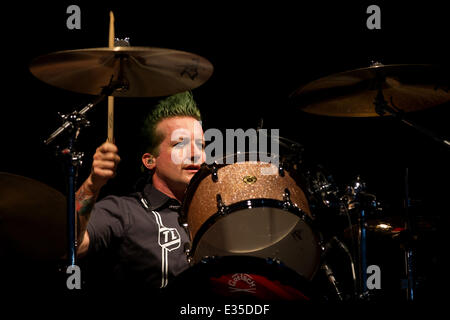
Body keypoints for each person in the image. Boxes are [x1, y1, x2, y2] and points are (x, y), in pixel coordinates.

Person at [75, 91, 205, 295]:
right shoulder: (123, 210)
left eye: (200, 145)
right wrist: (92, 184)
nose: (194, 153)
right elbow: (72, 246)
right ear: (149, 160)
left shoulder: (211, 213)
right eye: (180, 144)